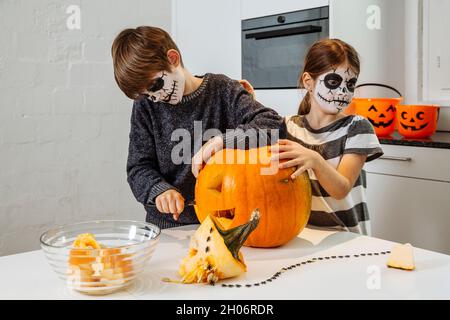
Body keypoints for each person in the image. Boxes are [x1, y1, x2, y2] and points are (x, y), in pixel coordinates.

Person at [111, 26, 286, 229]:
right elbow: (138, 167)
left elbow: (274, 126)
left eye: (155, 87)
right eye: (148, 95)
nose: (156, 98)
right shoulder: (146, 106)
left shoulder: (223, 90)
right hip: (168, 226)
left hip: (222, 222)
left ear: (173, 59)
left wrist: (223, 141)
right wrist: (158, 190)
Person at [271, 39, 383, 235]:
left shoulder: (357, 127)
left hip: (347, 238)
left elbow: (341, 189)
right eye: (333, 81)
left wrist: (315, 159)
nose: (342, 91)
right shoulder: (287, 127)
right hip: (303, 235)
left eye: (350, 84)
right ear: (309, 82)